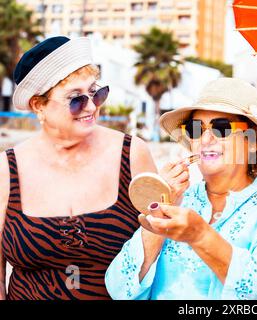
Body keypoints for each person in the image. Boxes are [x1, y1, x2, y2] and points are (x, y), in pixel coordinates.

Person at [105, 78, 257, 299]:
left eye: (221, 128)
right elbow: (118, 288)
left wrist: (200, 235)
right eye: (196, 128)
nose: (206, 139)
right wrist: (160, 208)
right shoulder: (177, 199)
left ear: (253, 140)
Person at [0, 36, 157, 299]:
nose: (92, 107)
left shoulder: (132, 155)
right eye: (75, 99)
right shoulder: (6, 170)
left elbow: (161, 248)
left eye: (96, 93)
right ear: (39, 106)